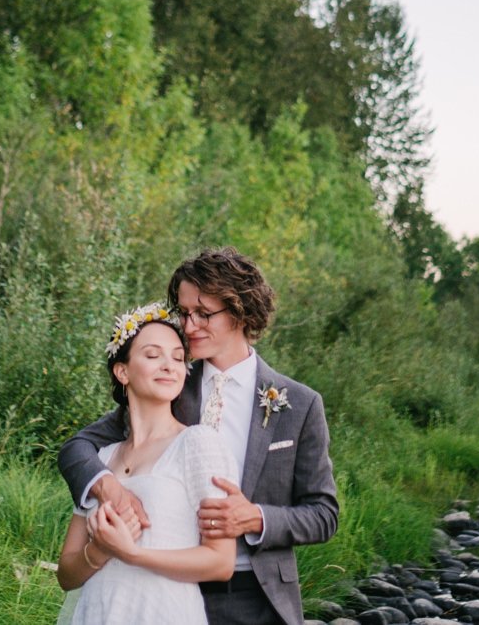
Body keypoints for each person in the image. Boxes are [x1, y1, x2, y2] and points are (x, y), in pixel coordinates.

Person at [59, 248, 339, 625]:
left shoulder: (300, 405)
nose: (189, 327)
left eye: (203, 314)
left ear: (240, 310)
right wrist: (108, 487)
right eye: (185, 313)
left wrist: (255, 518)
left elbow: (323, 514)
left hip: (255, 594)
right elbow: (78, 447)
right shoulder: (171, 385)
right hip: (167, 591)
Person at [55, 302, 238, 625]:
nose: (169, 365)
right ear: (122, 371)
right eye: (153, 355)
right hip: (97, 613)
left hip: (162, 612)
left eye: (178, 358)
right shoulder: (101, 459)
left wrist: (132, 553)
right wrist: (99, 552)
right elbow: (67, 575)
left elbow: (220, 563)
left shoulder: (198, 444)